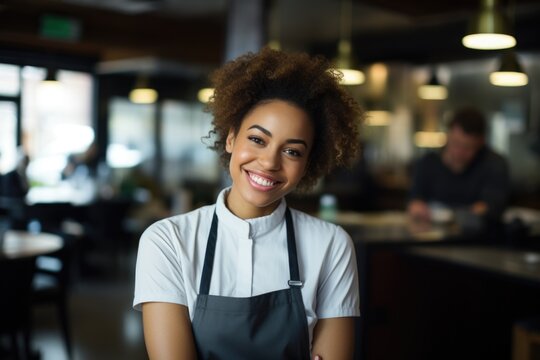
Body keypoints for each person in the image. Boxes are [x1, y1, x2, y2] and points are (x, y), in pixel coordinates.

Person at [133, 47, 363, 360]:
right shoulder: (167, 242)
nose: (269, 162)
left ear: (308, 164)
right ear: (231, 138)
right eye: (257, 139)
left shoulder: (331, 245)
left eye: (292, 151)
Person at [407, 106, 510, 230]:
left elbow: (492, 207)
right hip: (431, 236)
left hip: (479, 241)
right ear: (448, 135)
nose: (458, 152)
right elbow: (415, 201)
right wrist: (417, 208)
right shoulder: (428, 162)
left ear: (481, 143)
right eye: (455, 143)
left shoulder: (494, 164)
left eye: (467, 148)